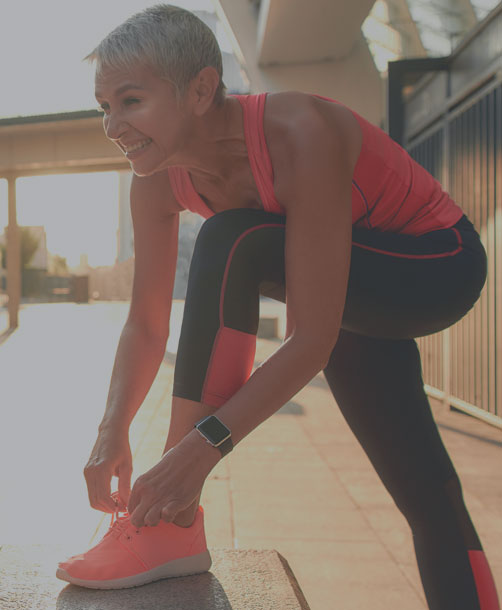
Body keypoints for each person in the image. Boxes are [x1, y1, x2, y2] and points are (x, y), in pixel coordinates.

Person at [56, 5, 499, 609]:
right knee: (426, 494)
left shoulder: (297, 131)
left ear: (201, 90)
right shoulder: (154, 178)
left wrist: (197, 452)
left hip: (436, 264)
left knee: (234, 238)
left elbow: (310, 337)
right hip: (348, 292)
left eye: (130, 101)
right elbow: (146, 321)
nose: (112, 124)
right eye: (104, 105)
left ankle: (170, 519)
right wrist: (112, 432)